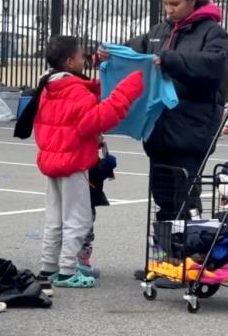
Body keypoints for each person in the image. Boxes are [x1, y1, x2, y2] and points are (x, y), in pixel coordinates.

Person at [98, 0, 228, 221]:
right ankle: (166, 252)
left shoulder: (212, 32)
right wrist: (108, 54)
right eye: (166, 4)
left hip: (194, 125)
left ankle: (187, 251)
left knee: (183, 192)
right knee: (161, 192)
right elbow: (131, 51)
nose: (169, 10)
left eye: (175, 4)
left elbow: (216, 64)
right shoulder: (159, 31)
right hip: (159, 125)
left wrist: (170, 60)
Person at [34, 36, 143, 289]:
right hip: (73, 162)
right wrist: (125, 93)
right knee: (78, 218)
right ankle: (67, 271)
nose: (85, 60)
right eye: (82, 56)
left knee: (55, 218)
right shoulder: (76, 90)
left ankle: (48, 267)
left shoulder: (49, 86)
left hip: (52, 159)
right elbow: (95, 120)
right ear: (71, 61)